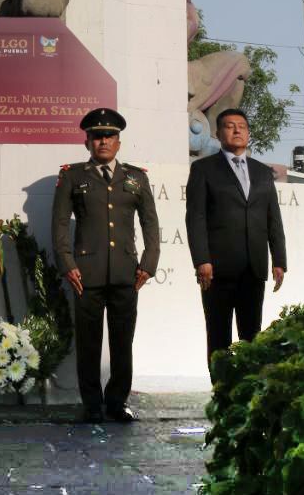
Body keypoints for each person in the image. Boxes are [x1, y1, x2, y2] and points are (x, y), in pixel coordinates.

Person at [52, 108, 160, 424]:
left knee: (122, 342)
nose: (103, 142)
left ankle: (116, 402)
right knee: (88, 343)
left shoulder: (136, 177)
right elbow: (59, 224)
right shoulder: (73, 176)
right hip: (85, 274)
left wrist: (149, 264)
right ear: (87, 142)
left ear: (118, 142)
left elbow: (150, 224)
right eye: (97, 136)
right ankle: (92, 404)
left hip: (127, 273)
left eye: (109, 136)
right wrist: (67, 264)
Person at [185, 108, 287, 372]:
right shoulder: (204, 169)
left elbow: (272, 217)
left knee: (252, 335)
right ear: (218, 134)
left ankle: (247, 390)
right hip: (217, 269)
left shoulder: (262, 172)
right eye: (230, 126)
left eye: (242, 126)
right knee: (219, 335)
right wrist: (202, 260)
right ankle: (221, 393)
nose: (237, 130)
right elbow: (195, 219)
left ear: (249, 133)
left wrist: (279, 260)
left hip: (254, 267)